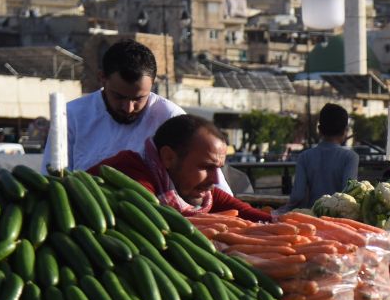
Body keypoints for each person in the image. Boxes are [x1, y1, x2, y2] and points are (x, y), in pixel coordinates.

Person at [91, 115, 272, 222]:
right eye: (206, 167)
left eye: (218, 168)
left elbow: (245, 212)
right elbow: (162, 228)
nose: (216, 179)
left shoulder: (186, 187)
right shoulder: (131, 175)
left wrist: (281, 224)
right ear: (169, 157)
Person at [46, 39, 185, 171]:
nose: (128, 108)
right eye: (119, 97)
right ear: (102, 79)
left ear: (152, 84)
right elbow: (52, 178)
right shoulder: (70, 116)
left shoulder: (172, 119)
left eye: (138, 99)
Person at [283, 103, 358, 211]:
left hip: (311, 218)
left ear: (319, 129)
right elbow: (349, 194)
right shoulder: (351, 157)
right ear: (345, 131)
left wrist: (283, 210)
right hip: (340, 221)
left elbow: (297, 196)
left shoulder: (304, 157)